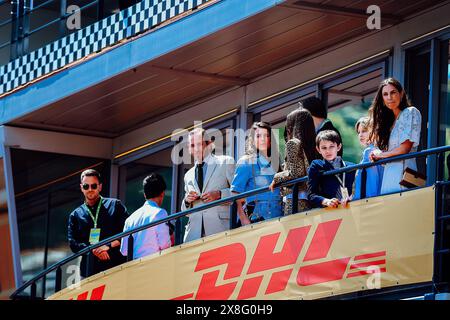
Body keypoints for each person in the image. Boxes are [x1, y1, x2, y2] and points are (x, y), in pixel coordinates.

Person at [68, 169, 128, 278]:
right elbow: (73, 244)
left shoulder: (115, 205)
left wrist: (107, 246)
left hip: (115, 267)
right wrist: (94, 249)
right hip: (88, 271)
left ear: (100, 187)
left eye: (94, 186)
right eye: (86, 186)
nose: (90, 189)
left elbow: (126, 233)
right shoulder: (75, 215)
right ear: (81, 187)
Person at [368, 78, 422, 194]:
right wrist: (377, 154)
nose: (389, 97)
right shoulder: (389, 124)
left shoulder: (410, 112)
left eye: (393, 92)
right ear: (382, 99)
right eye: (385, 94)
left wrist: (381, 155)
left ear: (401, 94)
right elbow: (387, 154)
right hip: (388, 176)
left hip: (405, 174)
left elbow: (405, 148)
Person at [181, 128, 235, 242]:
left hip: (220, 229)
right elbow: (184, 211)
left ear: (209, 144)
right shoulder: (188, 175)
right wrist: (187, 201)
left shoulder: (225, 162)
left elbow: (240, 194)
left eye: (199, 144)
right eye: (192, 145)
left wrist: (219, 195)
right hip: (194, 235)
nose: (195, 149)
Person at [269, 108, 319, 215]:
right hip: (311, 201)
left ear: (291, 126)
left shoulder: (292, 143)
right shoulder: (315, 143)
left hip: (295, 203)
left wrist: (276, 178)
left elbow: (296, 173)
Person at [231, 122, 282, 224]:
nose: (262, 139)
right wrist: (243, 218)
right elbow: (235, 193)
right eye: (258, 136)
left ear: (271, 140)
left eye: (266, 136)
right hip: (257, 219)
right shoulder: (246, 162)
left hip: (279, 216)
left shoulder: (277, 162)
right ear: (252, 140)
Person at [120, 173, 171, 259]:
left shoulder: (130, 219)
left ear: (144, 195)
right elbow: (165, 244)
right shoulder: (160, 213)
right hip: (153, 264)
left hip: (134, 267)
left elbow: (124, 251)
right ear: (162, 193)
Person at [307, 130, 355, 208]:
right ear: (318, 149)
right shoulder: (316, 165)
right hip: (330, 212)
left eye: (331, 146)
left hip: (350, 207)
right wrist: (326, 201)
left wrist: (352, 197)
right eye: (324, 148)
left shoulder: (351, 166)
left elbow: (358, 189)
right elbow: (311, 195)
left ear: (339, 147)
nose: (328, 151)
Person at [353, 116, 384, 200]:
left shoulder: (369, 151)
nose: (360, 135)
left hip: (369, 200)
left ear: (374, 131)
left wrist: (355, 199)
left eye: (364, 131)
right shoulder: (378, 151)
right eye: (358, 132)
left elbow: (372, 181)